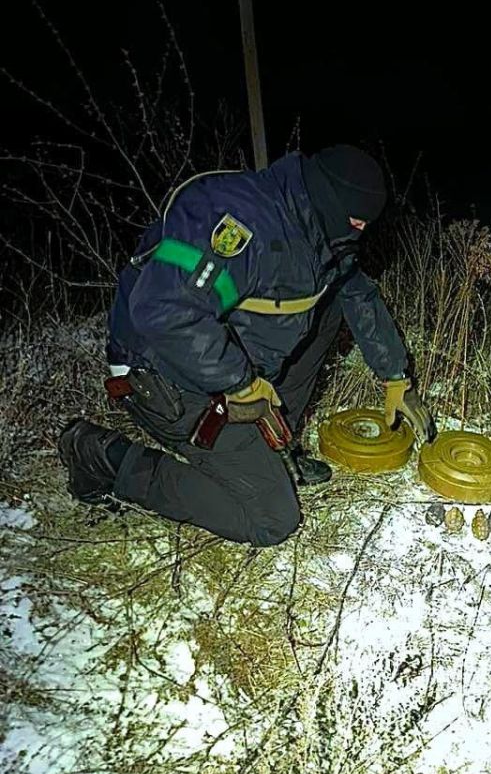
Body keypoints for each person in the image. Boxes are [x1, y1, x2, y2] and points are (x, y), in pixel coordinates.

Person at [59, 145, 435, 545]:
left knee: (329, 306)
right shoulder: (239, 221)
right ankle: (101, 455)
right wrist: (240, 383)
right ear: (329, 200)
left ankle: (273, 449)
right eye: (356, 221)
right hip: (158, 375)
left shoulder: (316, 228)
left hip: (217, 361)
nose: (359, 230)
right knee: (272, 519)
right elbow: (160, 310)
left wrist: (396, 377)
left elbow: (358, 293)